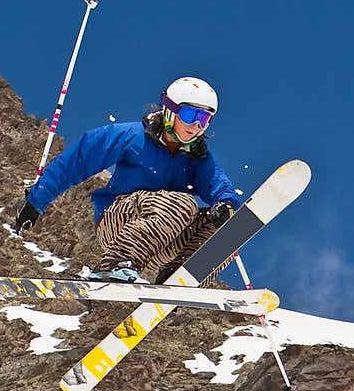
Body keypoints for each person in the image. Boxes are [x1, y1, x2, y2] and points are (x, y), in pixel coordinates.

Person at [13, 77, 241, 284]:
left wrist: (227, 205)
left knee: (230, 229)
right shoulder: (132, 136)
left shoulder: (198, 158)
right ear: (170, 111)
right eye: (191, 115)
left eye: (205, 119)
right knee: (183, 203)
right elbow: (79, 159)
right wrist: (35, 201)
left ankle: (180, 277)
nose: (196, 126)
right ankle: (114, 264)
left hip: (163, 242)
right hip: (120, 222)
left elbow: (218, 184)